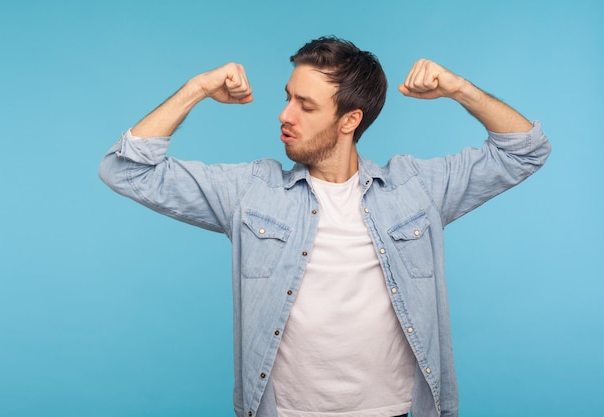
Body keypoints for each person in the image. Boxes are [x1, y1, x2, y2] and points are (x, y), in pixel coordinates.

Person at [99, 36, 551, 417]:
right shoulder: (250, 192)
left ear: (349, 120)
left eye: (306, 105)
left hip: (392, 409)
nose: (284, 114)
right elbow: (125, 171)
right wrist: (196, 88)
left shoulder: (415, 190)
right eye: (288, 97)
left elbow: (524, 150)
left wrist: (458, 89)